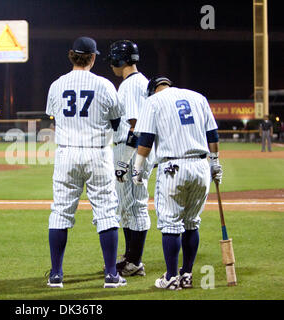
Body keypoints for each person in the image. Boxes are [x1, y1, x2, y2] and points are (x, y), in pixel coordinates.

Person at [46, 36, 126, 288]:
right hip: (98, 153)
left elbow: (54, 118)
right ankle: (111, 274)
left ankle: (56, 274)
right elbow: (117, 123)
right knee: (106, 212)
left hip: (66, 152)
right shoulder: (104, 85)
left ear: (72, 55)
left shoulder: (57, 84)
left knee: (60, 212)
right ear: (92, 58)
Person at [133, 76, 222, 290]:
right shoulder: (197, 97)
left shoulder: (153, 101)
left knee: (171, 224)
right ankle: (187, 275)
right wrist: (216, 162)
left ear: (153, 90)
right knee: (192, 222)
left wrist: (138, 167)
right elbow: (212, 133)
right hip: (201, 167)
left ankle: (171, 277)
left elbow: (146, 139)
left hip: (173, 167)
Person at [106, 40, 154, 277]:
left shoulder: (131, 85)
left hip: (133, 150)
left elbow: (137, 125)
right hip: (133, 150)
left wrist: (125, 159)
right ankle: (129, 257)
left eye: (113, 60)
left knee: (136, 205)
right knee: (128, 205)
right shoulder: (137, 82)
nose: (111, 65)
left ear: (120, 60)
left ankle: (135, 262)